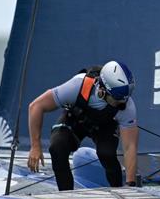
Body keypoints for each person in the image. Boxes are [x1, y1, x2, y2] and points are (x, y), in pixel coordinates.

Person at [26, 60, 139, 190]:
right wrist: (35, 146)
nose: (122, 103)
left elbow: (130, 147)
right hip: (75, 120)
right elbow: (36, 106)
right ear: (102, 90)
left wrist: (131, 185)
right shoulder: (77, 85)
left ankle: (120, 190)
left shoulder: (126, 105)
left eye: (126, 97)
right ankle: (67, 195)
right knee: (57, 147)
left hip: (104, 126)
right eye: (117, 98)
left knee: (107, 154)